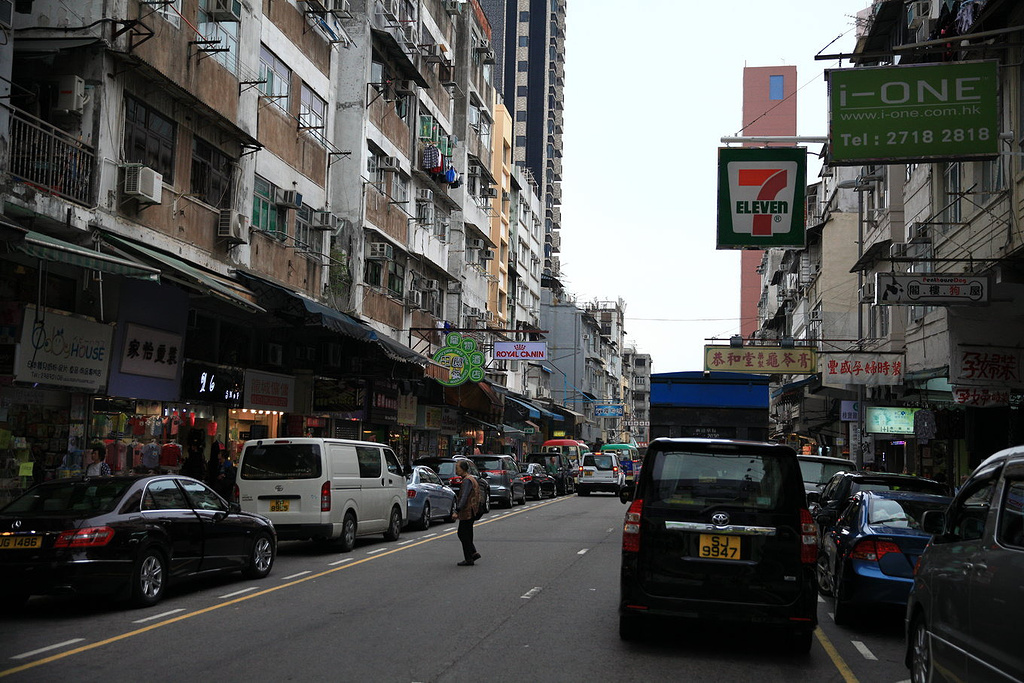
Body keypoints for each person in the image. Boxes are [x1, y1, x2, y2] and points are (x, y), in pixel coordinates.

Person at [453, 459, 482, 567]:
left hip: (468, 511)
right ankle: (473, 553)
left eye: (457, 468)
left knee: (462, 533)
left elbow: (464, 497)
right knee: (468, 533)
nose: (456, 470)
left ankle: (469, 557)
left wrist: (457, 510)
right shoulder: (471, 479)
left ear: (463, 469)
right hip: (473, 510)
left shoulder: (467, 481)